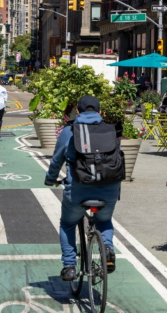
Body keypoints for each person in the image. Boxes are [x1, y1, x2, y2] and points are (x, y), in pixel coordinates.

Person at [45, 96, 120, 281]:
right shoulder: (111, 130)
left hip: (78, 190)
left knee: (68, 224)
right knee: (104, 221)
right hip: (109, 189)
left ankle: (70, 266)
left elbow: (57, 160)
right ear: (100, 112)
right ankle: (107, 248)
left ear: (77, 112)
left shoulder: (69, 131)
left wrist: (50, 180)